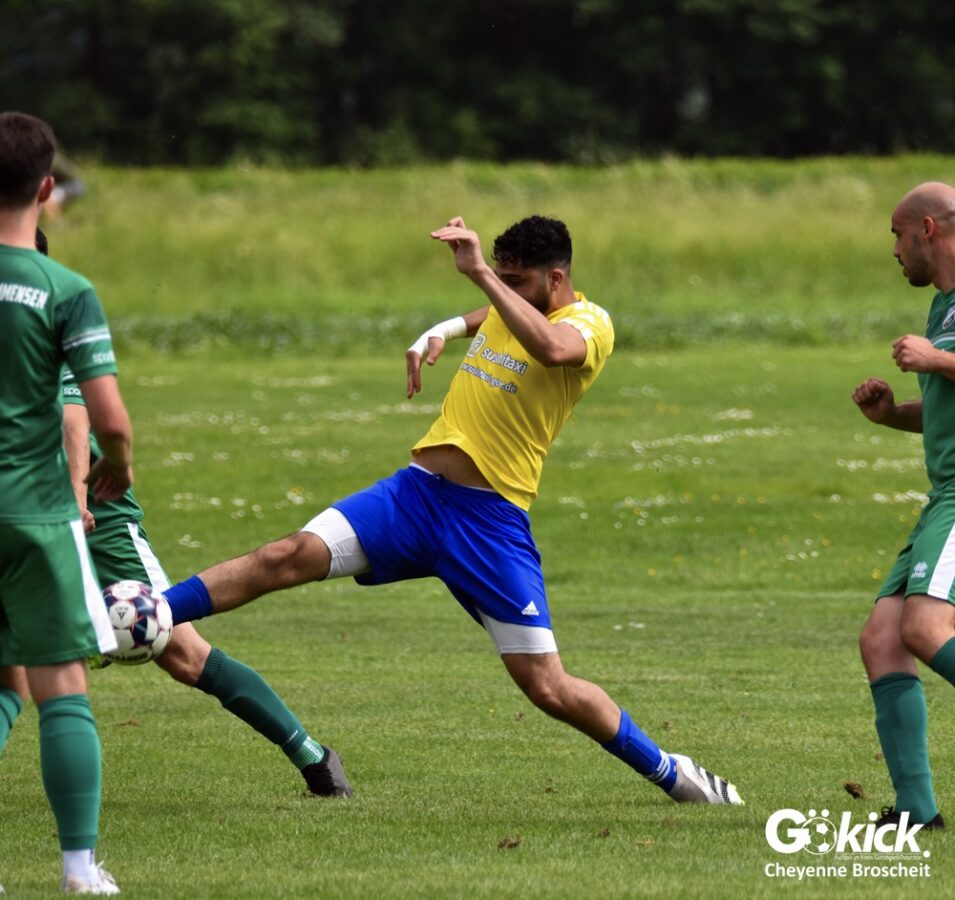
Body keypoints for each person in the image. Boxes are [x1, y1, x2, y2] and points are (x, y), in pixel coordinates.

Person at [159, 214, 743, 807]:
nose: (505, 290)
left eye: (517, 281)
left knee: (547, 687)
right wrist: (439, 330)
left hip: (488, 525)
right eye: (503, 278)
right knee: (285, 555)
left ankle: (672, 772)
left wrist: (483, 274)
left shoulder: (590, 323)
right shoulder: (513, 302)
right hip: (414, 498)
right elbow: (487, 316)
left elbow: (550, 347)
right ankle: (146, 615)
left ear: (556, 279)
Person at [0, 228, 352, 800]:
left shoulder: (50, 319)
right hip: (23, 513)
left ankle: (312, 755)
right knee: (10, 671)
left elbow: (74, 420)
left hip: (97, 519)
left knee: (182, 653)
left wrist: (76, 502)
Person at [0, 111, 129, 895]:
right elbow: (107, 417)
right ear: (47, 189)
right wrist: (118, 466)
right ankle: (79, 868)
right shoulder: (65, 289)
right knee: (60, 688)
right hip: (36, 513)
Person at [854, 180, 955, 830]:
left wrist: (937, 358)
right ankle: (917, 811)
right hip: (942, 496)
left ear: (927, 229)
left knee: (924, 628)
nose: (893, 251)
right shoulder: (943, 306)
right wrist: (892, 414)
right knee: (883, 638)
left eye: (897, 235)